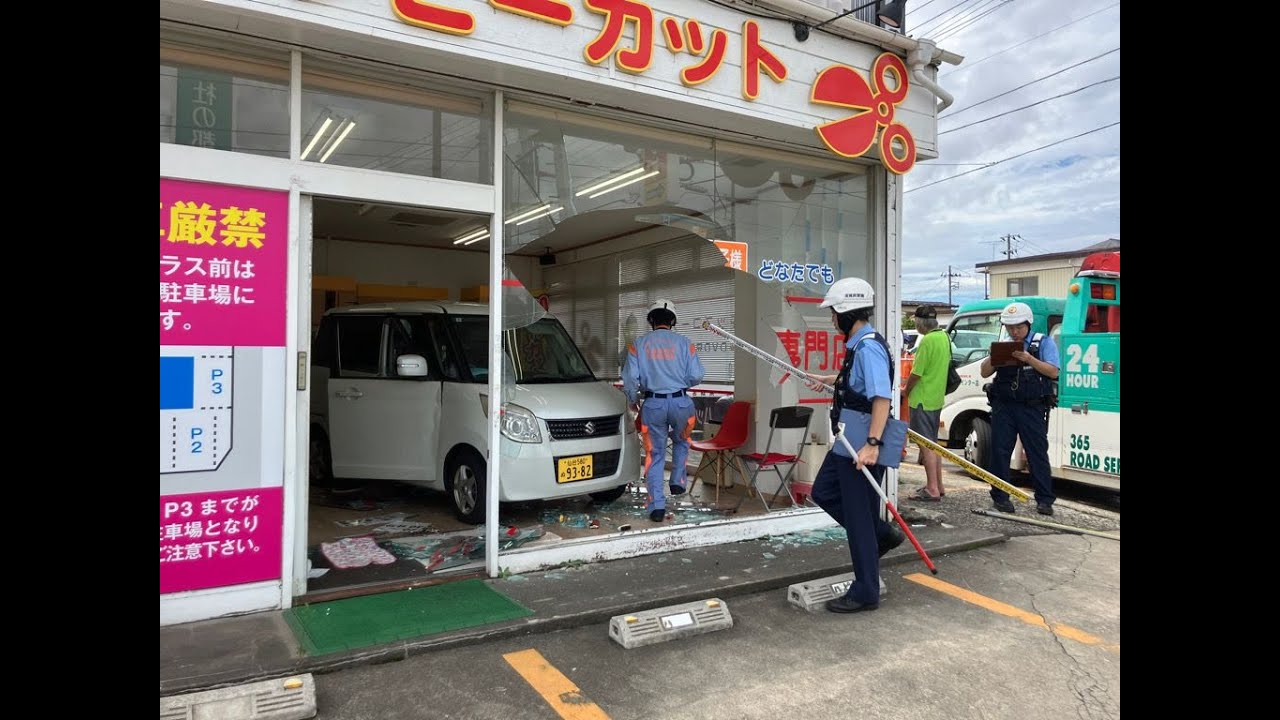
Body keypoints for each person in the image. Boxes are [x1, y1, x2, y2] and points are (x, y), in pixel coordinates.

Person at [803, 278, 906, 614]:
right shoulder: (859, 345)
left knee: (859, 517)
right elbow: (857, 385)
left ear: (847, 313)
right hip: (847, 443)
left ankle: (865, 591)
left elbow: (881, 397)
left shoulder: (869, 347)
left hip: (861, 445)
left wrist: (873, 445)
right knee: (823, 491)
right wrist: (829, 381)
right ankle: (881, 534)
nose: (832, 319)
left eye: (834, 313)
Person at [622, 299, 706, 523]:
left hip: (653, 405)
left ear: (651, 321)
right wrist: (680, 383)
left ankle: (657, 506)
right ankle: (678, 481)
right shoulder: (685, 344)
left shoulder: (638, 345)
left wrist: (633, 400)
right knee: (682, 441)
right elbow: (697, 375)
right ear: (673, 322)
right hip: (682, 404)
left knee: (655, 454)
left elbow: (630, 379)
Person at [980, 301, 1060, 516]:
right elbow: (984, 372)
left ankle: (1045, 500)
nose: (1014, 331)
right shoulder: (1003, 344)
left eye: (1018, 327)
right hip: (1004, 406)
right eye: (1010, 327)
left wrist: (1028, 358)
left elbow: (1053, 371)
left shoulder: (1042, 343)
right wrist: (994, 357)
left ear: (1028, 324)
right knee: (999, 451)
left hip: (1031, 407)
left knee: (1036, 453)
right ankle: (1000, 497)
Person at [902, 305, 948, 502]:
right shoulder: (944, 337)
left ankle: (932, 488)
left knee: (925, 445)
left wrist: (905, 390)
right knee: (933, 443)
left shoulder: (927, 341)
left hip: (922, 399)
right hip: (936, 398)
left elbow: (917, 373)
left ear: (920, 323)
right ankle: (939, 485)